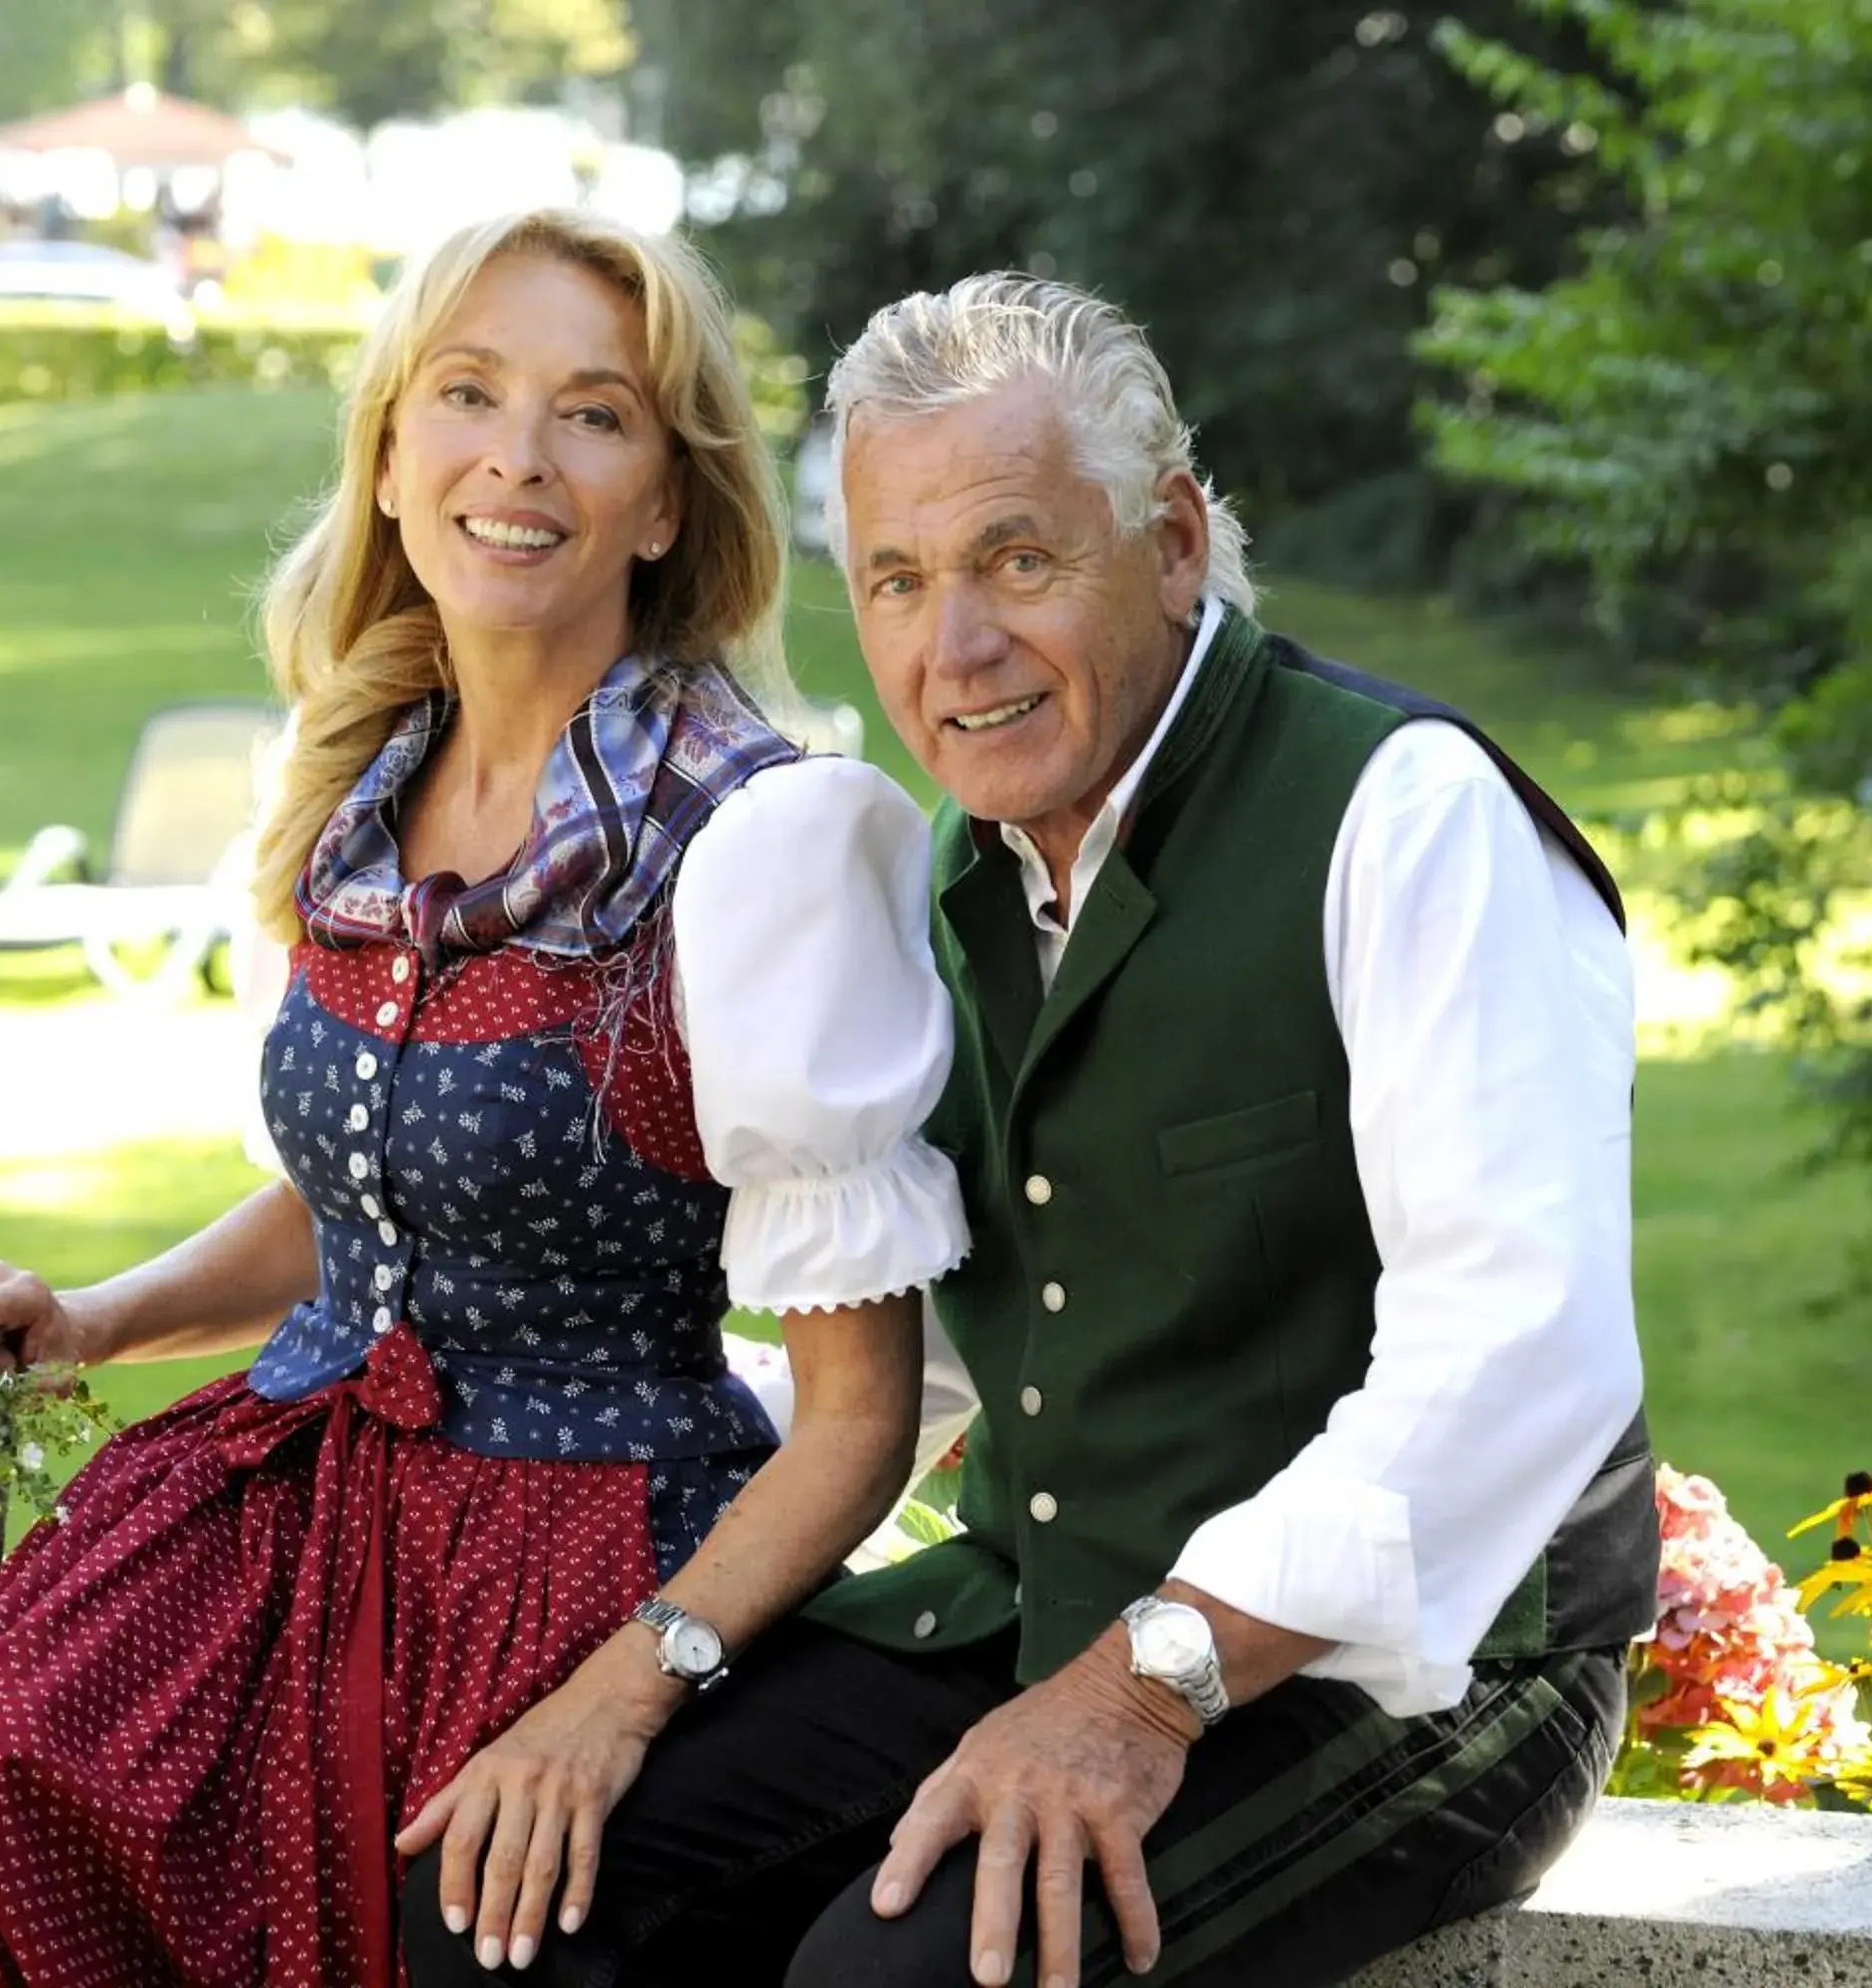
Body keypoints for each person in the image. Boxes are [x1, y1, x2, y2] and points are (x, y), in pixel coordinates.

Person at [404, 274, 1659, 1988]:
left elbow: (1524, 1355)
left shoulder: (1404, 815)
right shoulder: (946, 875)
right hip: (1034, 1598)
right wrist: (634, 1665)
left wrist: (1146, 1685)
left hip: (1419, 1665)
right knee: (498, 1905)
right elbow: (904, 1365)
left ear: (1174, 541)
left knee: (904, 1982)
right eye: (900, 583)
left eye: (1016, 560)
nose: (953, 651)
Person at [0, 210, 969, 1988]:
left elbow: (856, 1422)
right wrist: (105, 1313)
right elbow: (375, 1195)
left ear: (665, 500)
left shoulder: (757, 842)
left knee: (394, 1920)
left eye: (594, 415)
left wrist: (622, 1695)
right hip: (285, 1508)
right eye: (468, 395)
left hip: (575, 1545)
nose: (517, 457)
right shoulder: (362, 780)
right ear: (395, 454)